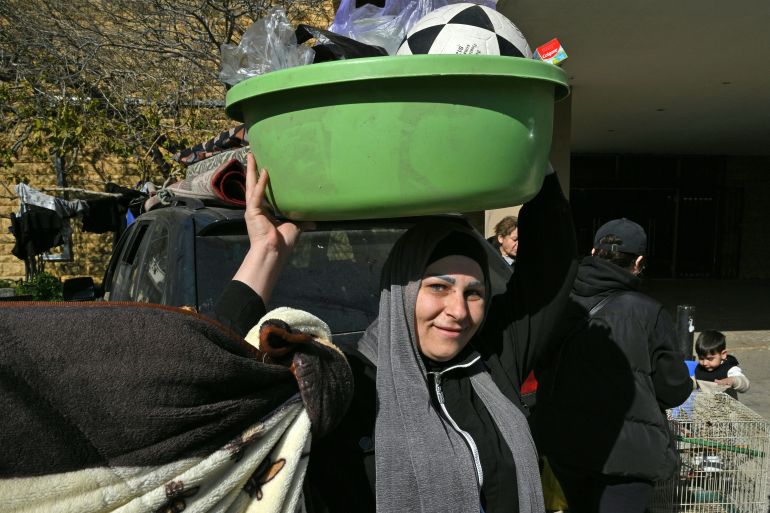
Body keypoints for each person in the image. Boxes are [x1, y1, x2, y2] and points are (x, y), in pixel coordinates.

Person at [215, 155, 577, 513]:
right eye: (438, 287)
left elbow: (550, 267)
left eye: (474, 293)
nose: (459, 311)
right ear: (401, 291)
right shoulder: (349, 382)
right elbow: (217, 380)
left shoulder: (493, 360)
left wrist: (535, 156)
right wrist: (267, 251)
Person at [533, 218, 693, 513]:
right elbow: (673, 388)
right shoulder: (649, 312)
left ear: (593, 253)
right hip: (629, 452)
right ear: (639, 262)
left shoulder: (557, 303)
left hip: (565, 443)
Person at [694, 329, 750, 399]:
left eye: (710, 359)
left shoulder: (729, 368)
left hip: (726, 408)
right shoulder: (699, 368)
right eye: (701, 358)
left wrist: (733, 380)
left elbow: (745, 385)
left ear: (723, 354)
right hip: (704, 406)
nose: (705, 363)